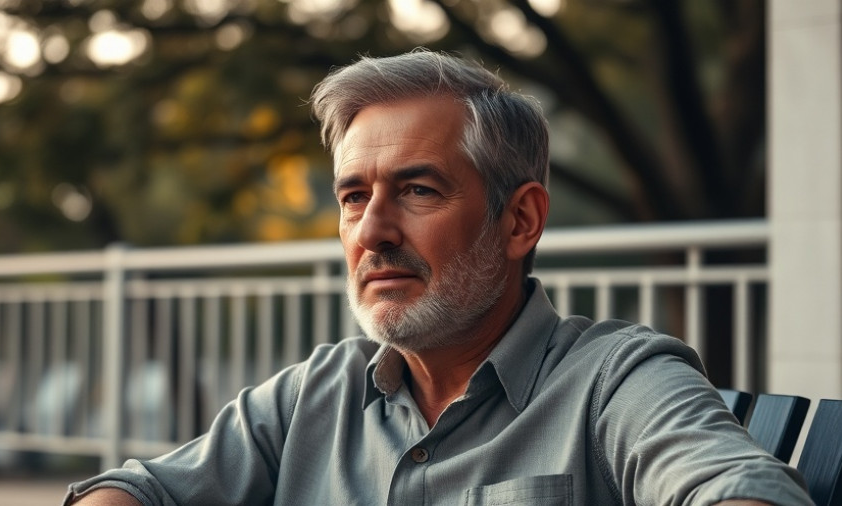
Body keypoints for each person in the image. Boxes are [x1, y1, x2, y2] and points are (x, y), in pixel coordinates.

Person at [64, 50, 812, 505]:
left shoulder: (616, 379)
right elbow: (145, 490)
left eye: (419, 191)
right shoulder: (312, 395)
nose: (373, 232)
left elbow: (736, 490)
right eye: (354, 197)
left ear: (520, 222)